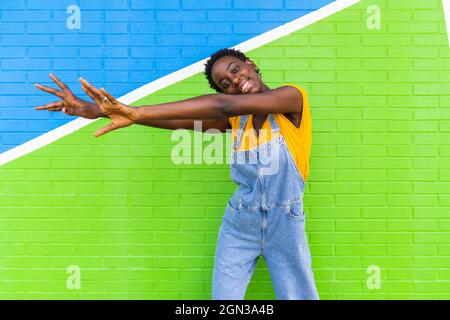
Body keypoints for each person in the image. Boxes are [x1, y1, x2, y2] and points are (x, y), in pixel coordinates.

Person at [34, 48, 319, 300]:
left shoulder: (291, 100)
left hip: (286, 223)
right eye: (225, 84)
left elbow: (223, 104)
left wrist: (138, 111)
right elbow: (180, 121)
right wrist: (97, 111)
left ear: (251, 64)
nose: (235, 81)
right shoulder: (236, 120)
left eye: (235, 70)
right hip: (239, 224)